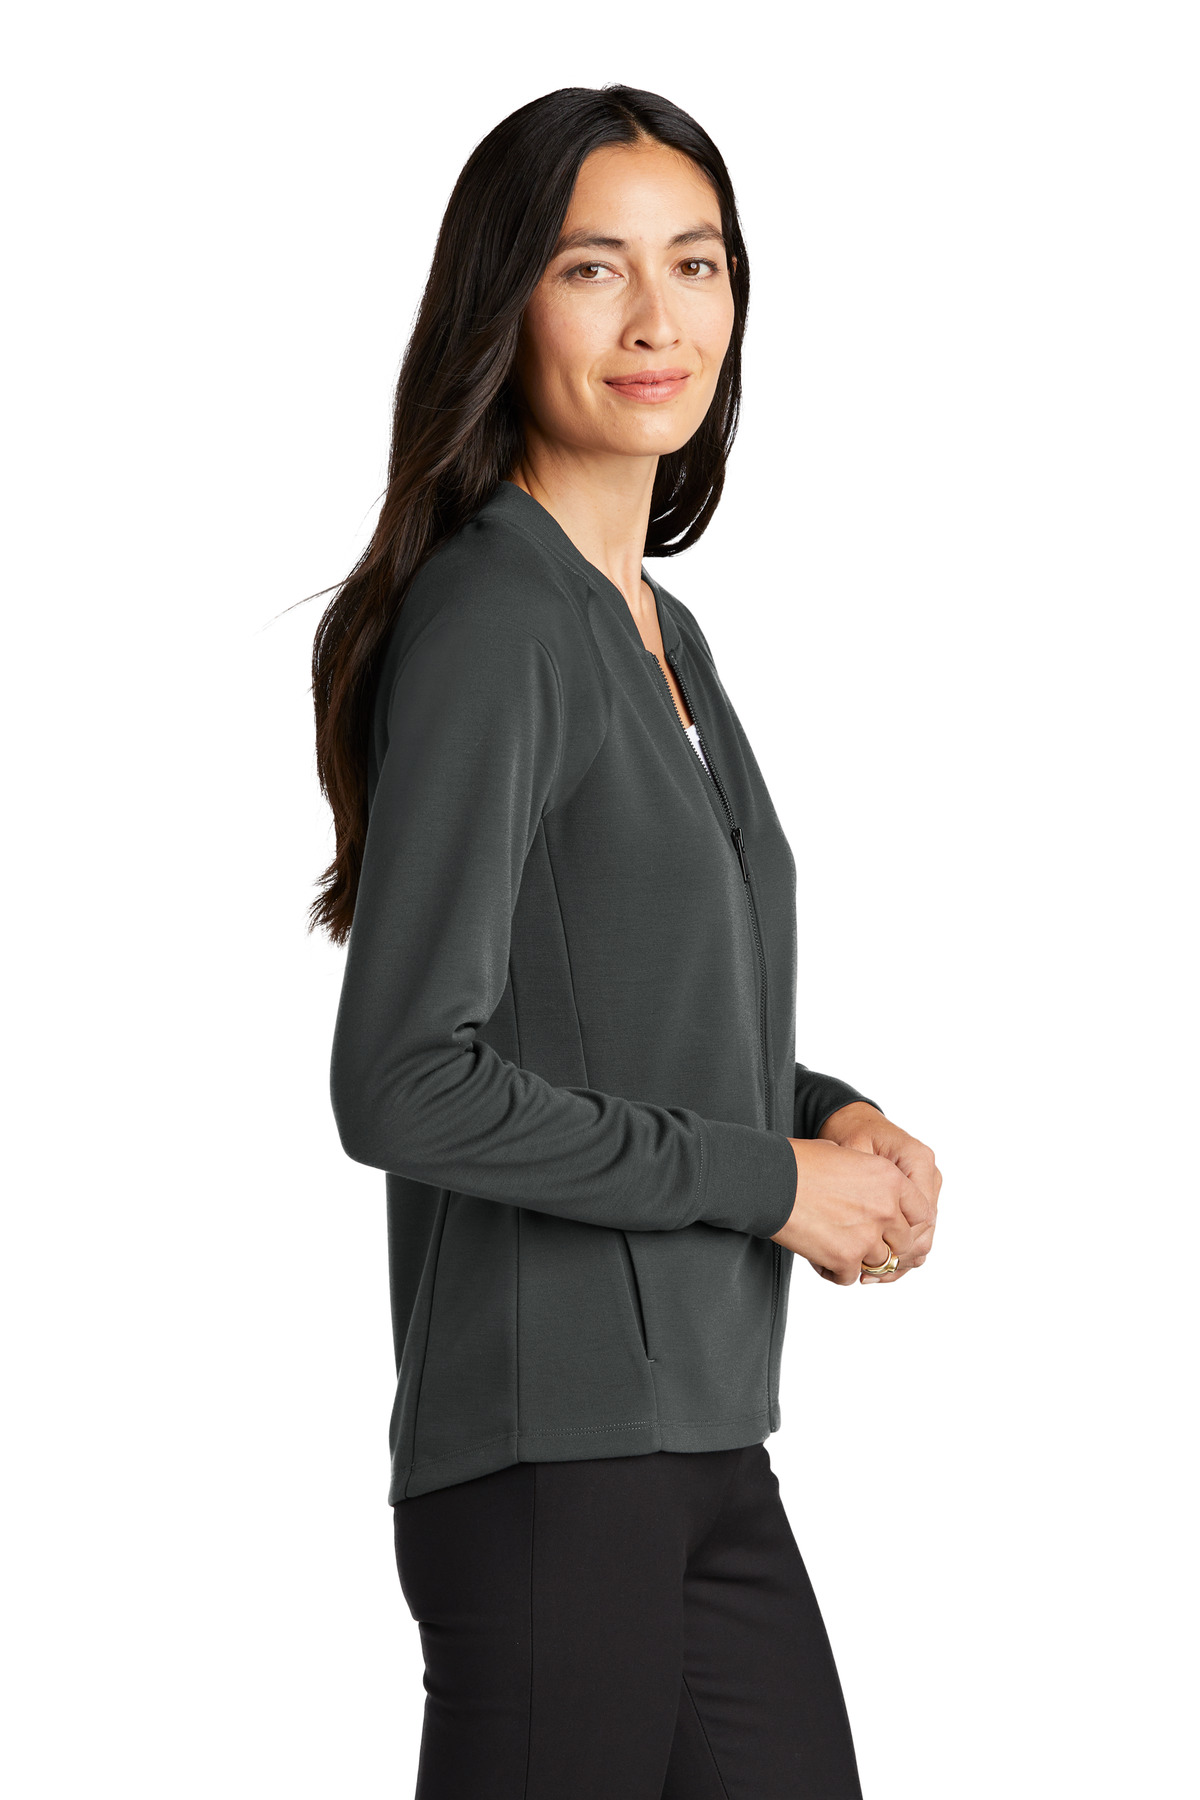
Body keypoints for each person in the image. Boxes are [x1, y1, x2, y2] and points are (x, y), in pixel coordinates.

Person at [311, 83, 941, 1800]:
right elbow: (405, 1082)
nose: (661, 318)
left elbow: (621, 1009)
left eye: (698, 263)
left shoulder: (659, 630)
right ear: (504, 303)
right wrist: (769, 1181)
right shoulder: (498, 620)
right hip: (552, 1460)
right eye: (595, 268)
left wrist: (827, 1117)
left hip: (703, 1442)